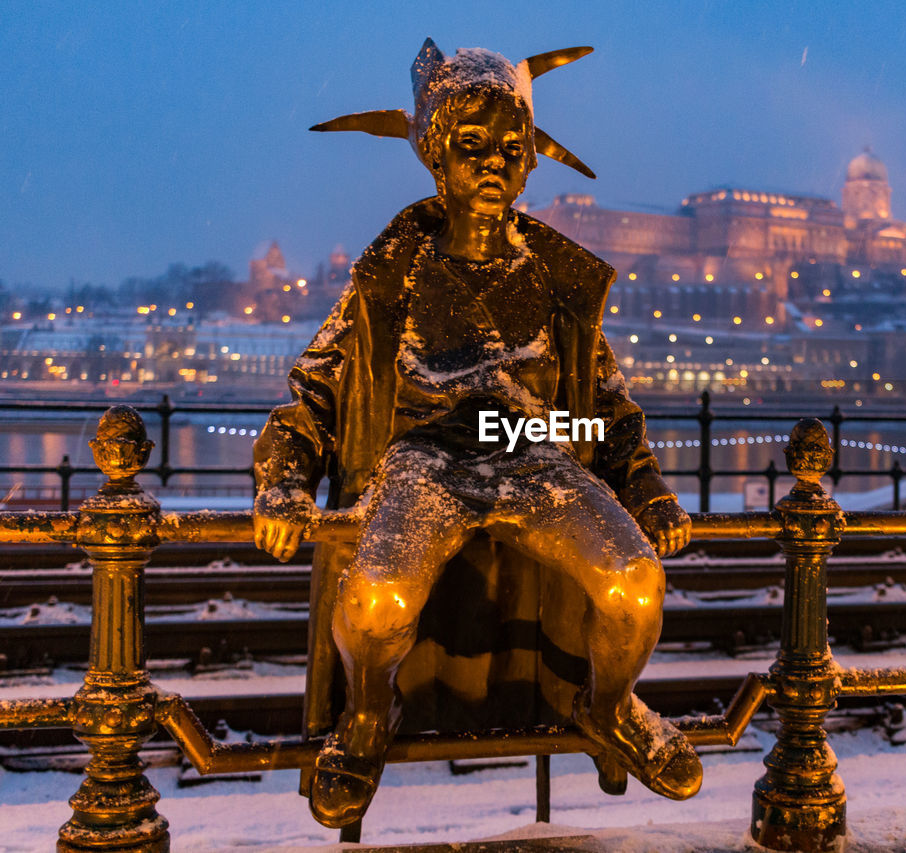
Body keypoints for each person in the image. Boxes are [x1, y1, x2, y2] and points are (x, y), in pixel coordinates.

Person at [251, 39, 700, 829]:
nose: (494, 163)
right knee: (377, 598)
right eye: (471, 147)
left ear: (530, 163)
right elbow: (315, 390)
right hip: (421, 465)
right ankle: (365, 718)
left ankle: (612, 705)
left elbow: (607, 403)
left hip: (536, 460)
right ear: (435, 157)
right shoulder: (389, 276)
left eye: (511, 148)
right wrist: (283, 476)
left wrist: (646, 484)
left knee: (636, 584)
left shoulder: (559, 283)